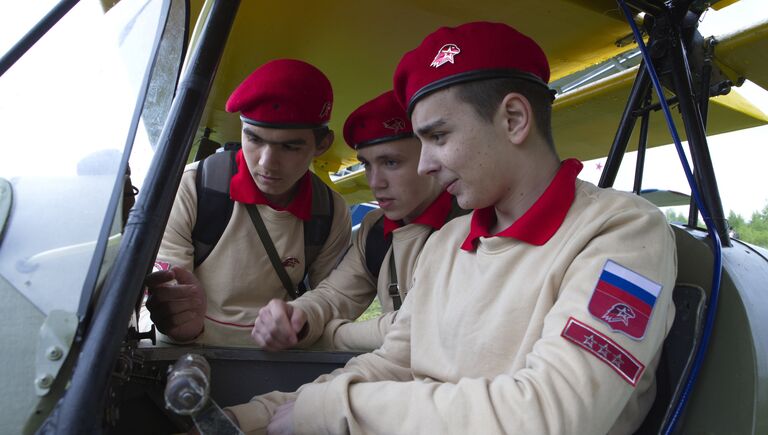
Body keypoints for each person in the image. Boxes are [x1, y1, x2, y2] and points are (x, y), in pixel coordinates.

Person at [227, 22, 677, 434]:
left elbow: (551, 416)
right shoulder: (447, 244)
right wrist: (261, 413)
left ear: (514, 119)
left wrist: (329, 410)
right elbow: (393, 364)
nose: (425, 164)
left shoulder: (622, 233)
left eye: (438, 137)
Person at [143, 59, 352, 347]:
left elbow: (332, 299)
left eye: (290, 146)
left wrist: (302, 326)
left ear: (322, 145)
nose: (267, 163)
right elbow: (168, 303)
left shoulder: (330, 211)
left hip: (280, 365)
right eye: (253, 139)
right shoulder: (192, 187)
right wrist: (181, 322)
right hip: (186, 356)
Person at [250, 90, 467, 352]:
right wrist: (297, 317)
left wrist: (331, 337)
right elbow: (336, 295)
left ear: (431, 156)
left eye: (390, 162)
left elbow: (421, 326)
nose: (375, 182)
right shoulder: (375, 228)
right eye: (367, 164)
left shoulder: (474, 224)